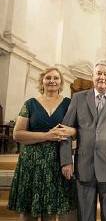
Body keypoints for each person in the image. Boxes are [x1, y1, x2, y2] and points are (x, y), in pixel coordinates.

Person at [60, 59, 106, 221]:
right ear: (92, 76)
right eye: (98, 73)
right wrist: (66, 161)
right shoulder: (78, 98)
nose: (102, 77)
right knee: (85, 216)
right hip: (84, 165)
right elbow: (64, 131)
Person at [8, 67, 77, 221]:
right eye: (48, 78)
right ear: (42, 81)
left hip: (57, 162)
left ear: (61, 82)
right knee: (28, 212)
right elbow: (17, 134)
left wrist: (71, 131)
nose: (52, 81)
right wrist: (47, 135)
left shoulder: (69, 104)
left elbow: (78, 129)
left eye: (56, 78)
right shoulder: (30, 104)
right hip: (31, 162)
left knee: (51, 211)